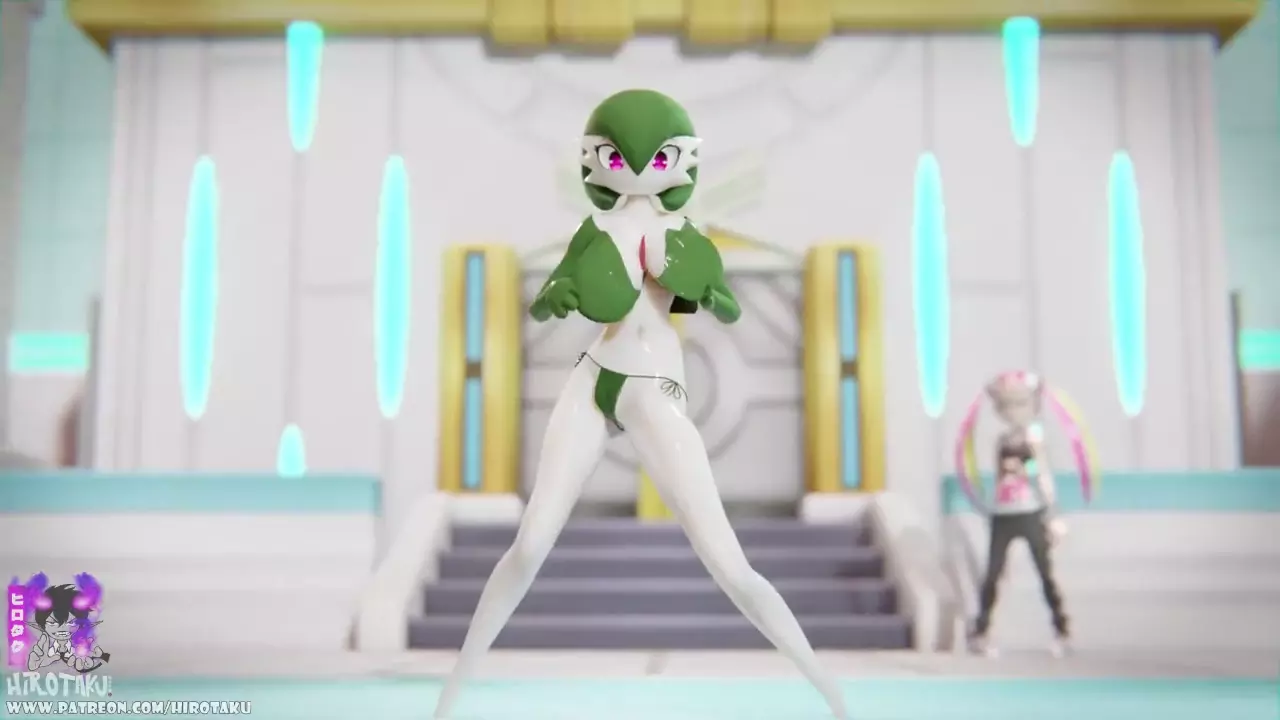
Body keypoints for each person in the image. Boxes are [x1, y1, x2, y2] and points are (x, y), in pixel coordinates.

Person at [432, 89, 846, 719]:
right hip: (593, 379)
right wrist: (558, 296)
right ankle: (452, 695)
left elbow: (718, 302)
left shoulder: (683, 234)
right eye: (619, 157)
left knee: (730, 565)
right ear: (595, 159)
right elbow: (548, 298)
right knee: (530, 543)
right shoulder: (595, 230)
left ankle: (831, 693)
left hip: (656, 391)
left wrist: (707, 291)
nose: (636, 169)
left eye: (655, 159)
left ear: (680, 160)